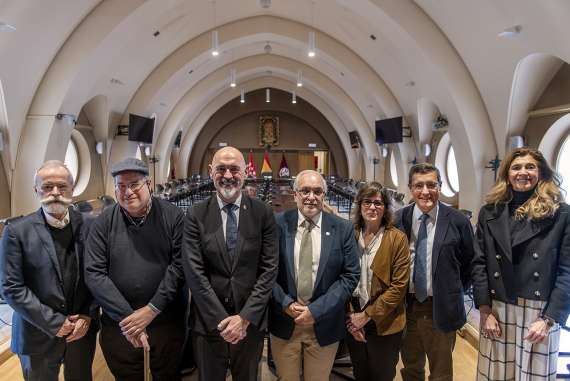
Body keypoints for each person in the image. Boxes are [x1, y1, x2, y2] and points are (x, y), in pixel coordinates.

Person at [472, 147, 570, 381]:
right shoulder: (489, 212)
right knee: (495, 376)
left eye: (530, 167)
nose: (522, 172)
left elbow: (567, 271)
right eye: (516, 167)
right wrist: (485, 310)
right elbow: (479, 263)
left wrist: (549, 319)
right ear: (507, 174)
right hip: (498, 306)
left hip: (540, 312)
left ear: (542, 173)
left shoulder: (561, 214)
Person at [84, 158, 187, 381]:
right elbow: (94, 273)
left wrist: (152, 309)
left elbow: (179, 267)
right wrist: (130, 319)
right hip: (121, 326)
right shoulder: (102, 223)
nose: (127, 191)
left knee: (168, 376)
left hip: (166, 321)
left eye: (134, 184)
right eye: (121, 186)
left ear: (148, 184)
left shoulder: (174, 217)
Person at [182, 146, 278, 381]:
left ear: (245, 172)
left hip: (249, 324)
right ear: (210, 171)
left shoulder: (263, 212)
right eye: (221, 169)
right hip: (208, 325)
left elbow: (269, 270)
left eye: (234, 169)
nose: (227, 175)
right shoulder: (196, 214)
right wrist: (222, 322)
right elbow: (194, 273)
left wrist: (244, 318)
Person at [0, 160, 97, 380]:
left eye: (62, 186)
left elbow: (99, 275)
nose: (55, 192)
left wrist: (89, 314)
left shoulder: (91, 226)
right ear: (36, 190)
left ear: (72, 190)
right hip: (36, 333)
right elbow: (11, 287)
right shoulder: (16, 231)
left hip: (81, 332)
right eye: (47, 186)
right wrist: (55, 322)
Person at [269, 169, 360, 381]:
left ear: (324, 196)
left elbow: (350, 276)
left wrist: (315, 310)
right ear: (295, 195)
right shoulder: (276, 224)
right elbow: (266, 271)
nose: (311, 197)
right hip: (285, 321)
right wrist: (285, 303)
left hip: (324, 323)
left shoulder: (343, 228)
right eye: (305, 191)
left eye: (317, 191)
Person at [395, 163, 474, 381]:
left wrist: (451, 290)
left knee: (441, 373)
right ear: (410, 188)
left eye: (431, 184)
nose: (425, 191)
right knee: (411, 368)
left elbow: (470, 263)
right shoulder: (397, 220)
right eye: (419, 185)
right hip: (406, 308)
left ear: (439, 186)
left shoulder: (457, 221)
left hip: (440, 309)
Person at [346, 182, 410, 381]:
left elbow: (398, 288)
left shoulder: (397, 239)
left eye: (378, 203)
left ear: (386, 208)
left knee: (382, 375)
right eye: (367, 202)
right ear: (359, 205)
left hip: (385, 320)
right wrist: (351, 318)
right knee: (360, 373)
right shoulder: (349, 234)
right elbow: (341, 277)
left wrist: (366, 316)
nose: (372, 207)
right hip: (352, 316)